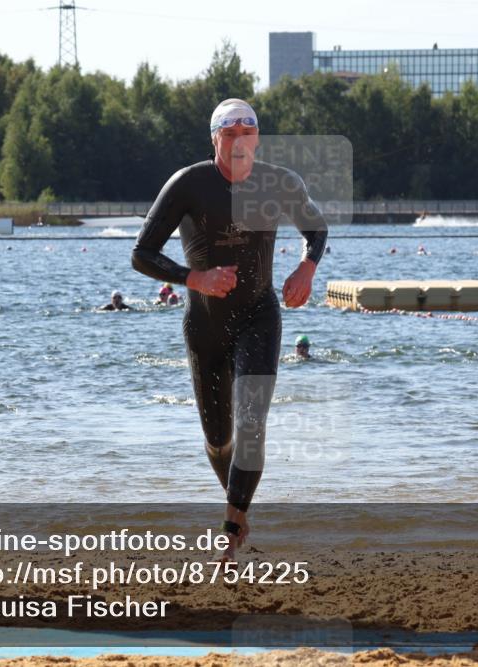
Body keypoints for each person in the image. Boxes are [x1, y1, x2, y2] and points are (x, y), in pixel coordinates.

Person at [131, 98, 328, 561]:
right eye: (230, 134)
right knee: (219, 439)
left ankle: (229, 529)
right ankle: (237, 505)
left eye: (248, 134)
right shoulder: (188, 184)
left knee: (253, 423)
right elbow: (142, 254)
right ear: (215, 139)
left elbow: (315, 229)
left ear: (257, 140)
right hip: (205, 326)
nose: (240, 143)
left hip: (259, 314)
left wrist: (306, 267)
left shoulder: (280, 182)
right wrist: (192, 278)